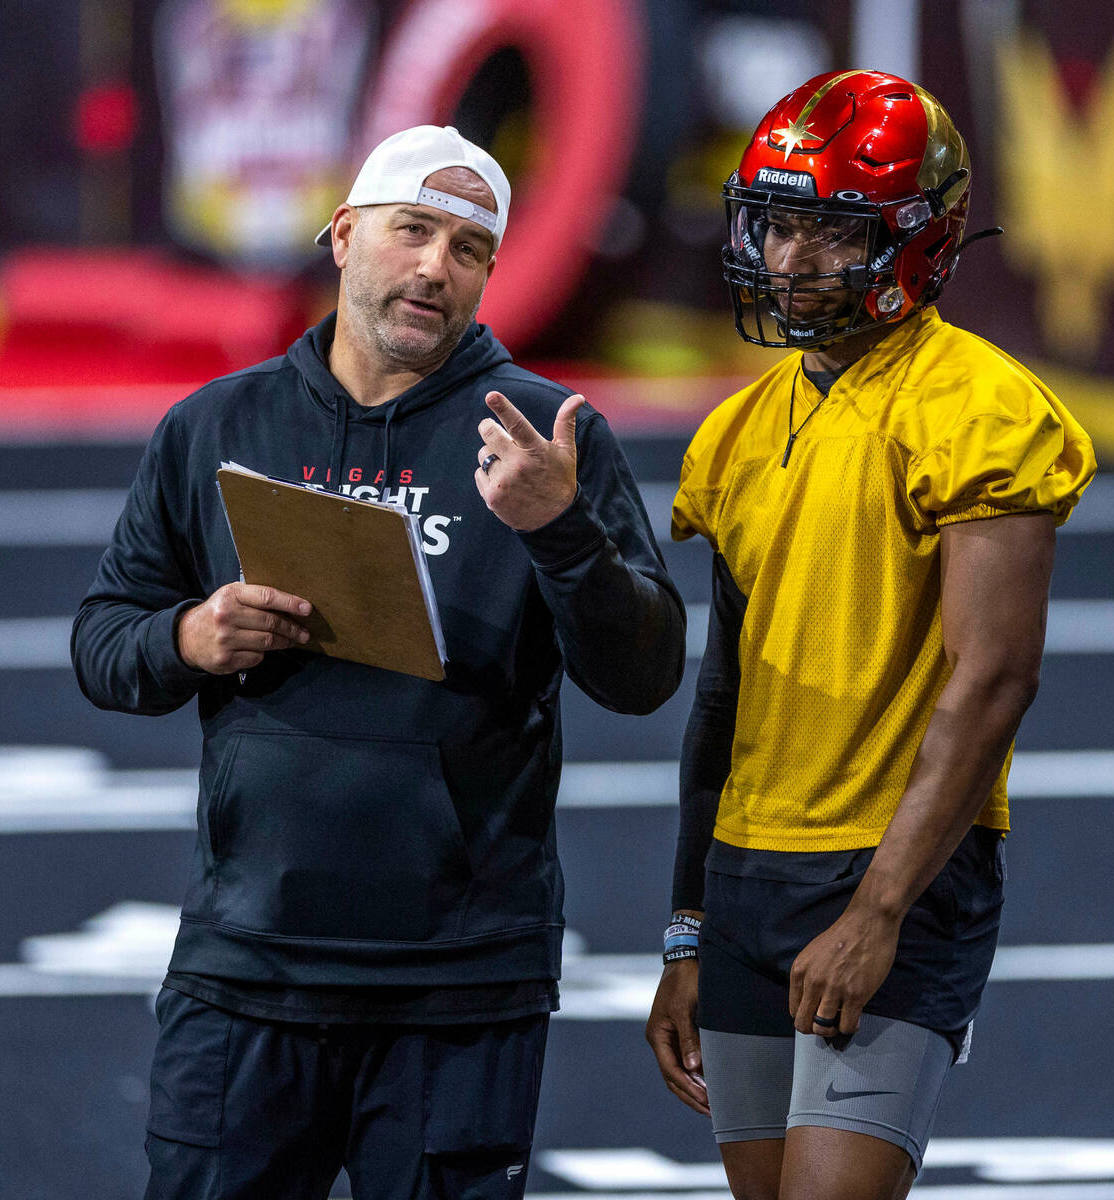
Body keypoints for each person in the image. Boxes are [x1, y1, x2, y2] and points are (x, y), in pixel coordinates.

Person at [72, 124, 686, 1200]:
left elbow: (639, 678)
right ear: (344, 235)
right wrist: (186, 638)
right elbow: (103, 638)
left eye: (467, 249)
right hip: (246, 966)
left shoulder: (546, 435)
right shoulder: (219, 422)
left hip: (458, 983)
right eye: (413, 231)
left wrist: (559, 531)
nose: (435, 268)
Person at [645, 70, 1095, 1200]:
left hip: (886, 866)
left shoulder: (979, 409)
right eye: (779, 224)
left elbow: (991, 680)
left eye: (831, 233)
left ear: (918, 241)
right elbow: (720, 698)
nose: (792, 262)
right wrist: (687, 932)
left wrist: (878, 910)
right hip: (746, 867)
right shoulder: (739, 428)